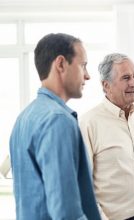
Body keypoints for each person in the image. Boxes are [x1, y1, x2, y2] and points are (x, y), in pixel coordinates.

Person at [9, 33, 101, 219]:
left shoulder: (24, 118)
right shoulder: (57, 120)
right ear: (61, 64)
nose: (88, 75)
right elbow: (66, 213)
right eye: (82, 65)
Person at [79, 53, 134, 220]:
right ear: (106, 85)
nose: (133, 83)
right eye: (126, 78)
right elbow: (83, 184)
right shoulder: (89, 122)